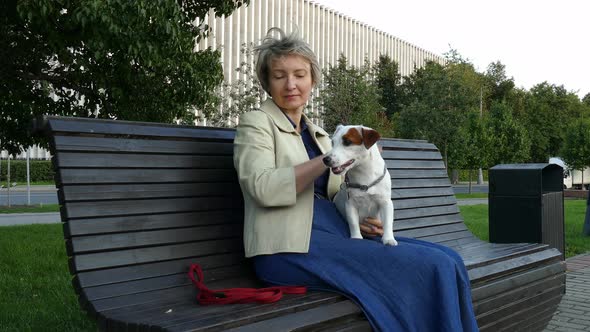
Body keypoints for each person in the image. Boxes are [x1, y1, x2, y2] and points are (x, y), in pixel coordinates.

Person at [233, 27, 479, 332]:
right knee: (434, 266)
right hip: (287, 247)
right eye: (280, 75)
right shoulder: (256, 124)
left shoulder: (320, 135)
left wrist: (362, 218)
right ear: (267, 83)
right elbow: (262, 187)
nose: (291, 84)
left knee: (449, 258)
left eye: (300, 74)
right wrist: (327, 160)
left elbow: (341, 193)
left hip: (334, 232)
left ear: (312, 80)